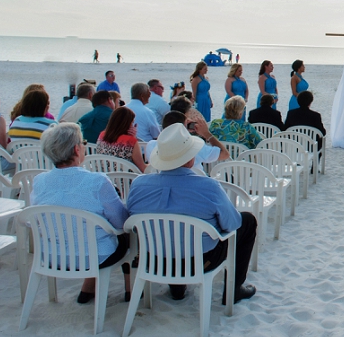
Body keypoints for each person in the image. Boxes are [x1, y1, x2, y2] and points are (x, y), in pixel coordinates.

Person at [126, 123, 257, 304]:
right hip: (199, 261)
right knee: (247, 221)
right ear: (189, 160)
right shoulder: (208, 186)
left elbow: (130, 221)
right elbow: (232, 224)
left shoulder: (139, 185)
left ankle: (177, 289)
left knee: (169, 230)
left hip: (153, 259)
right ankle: (233, 290)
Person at [32, 123, 131, 303]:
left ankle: (88, 288)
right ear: (77, 149)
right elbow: (120, 222)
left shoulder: (39, 182)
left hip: (54, 255)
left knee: (86, 232)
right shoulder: (97, 181)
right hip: (97, 256)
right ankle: (130, 290)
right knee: (127, 234)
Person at [143, 111, 229, 171]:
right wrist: (207, 134)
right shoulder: (194, 148)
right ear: (183, 128)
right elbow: (225, 154)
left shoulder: (151, 146)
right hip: (195, 187)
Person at [95, 106, 147, 172]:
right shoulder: (130, 142)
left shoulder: (102, 135)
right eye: (132, 123)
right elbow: (142, 168)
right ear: (127, 124)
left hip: (105, 177)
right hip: (126, 180)